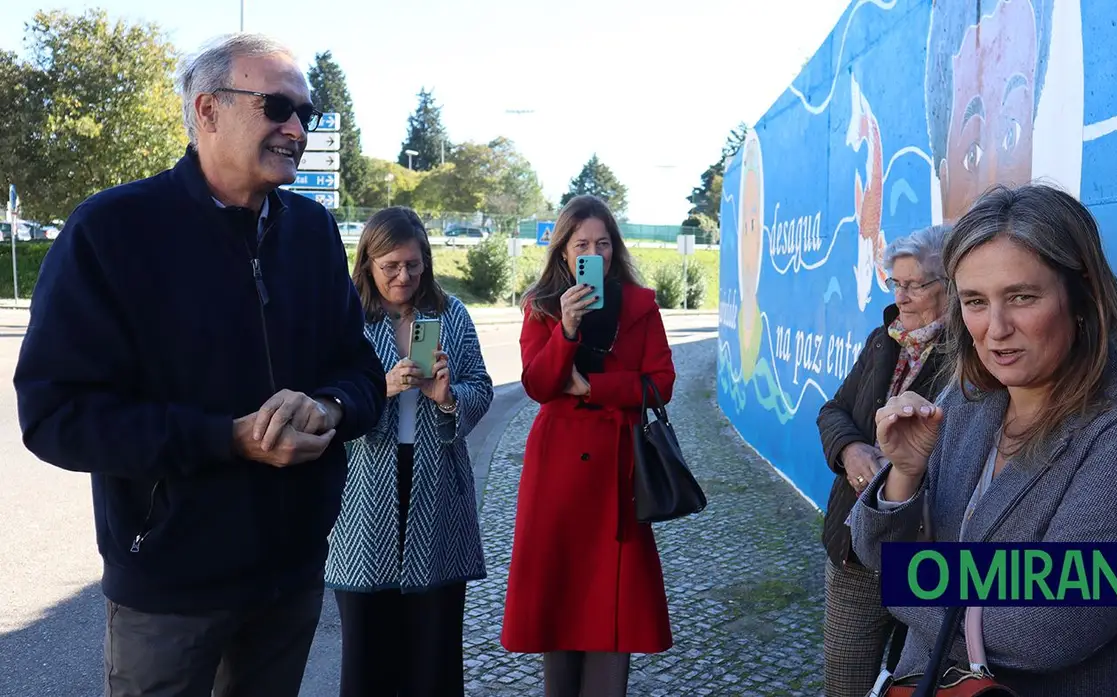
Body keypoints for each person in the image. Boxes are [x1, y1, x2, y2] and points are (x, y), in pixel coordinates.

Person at [12, 33, 386, 697]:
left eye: (309, 112)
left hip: (291, 579)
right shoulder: (111, 230)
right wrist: (229, 436)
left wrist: (327, 407)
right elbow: (55, 415)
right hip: (169, 591)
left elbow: (360, 373)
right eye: (277, 106)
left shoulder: (313, 232)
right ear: (208, 109)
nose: (297, 128)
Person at [851, 183, 1117, 695]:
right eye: (975, 302)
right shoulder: (965, 402)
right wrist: (904, 473)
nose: (995, 328)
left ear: (1081, 297)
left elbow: (1045, 627)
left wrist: (903, 580)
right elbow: (871, 550)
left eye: (1022, 297)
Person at [500, 195, 675, 697]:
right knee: (558, 595)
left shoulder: (641, 304)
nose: (592, 252)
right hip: (556, 473)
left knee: (610, 606)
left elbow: (661, 382)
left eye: (602, 243)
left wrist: (595, 388)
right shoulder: (540, 306)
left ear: (614, 249)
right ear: (563, 252)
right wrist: (568, 329)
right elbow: (536, 384)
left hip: (618, 473)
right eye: (582, 244)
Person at [325, 207, 494, 697]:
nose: (403, 276)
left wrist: (448, 397)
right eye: (391, 266)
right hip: (364, 495)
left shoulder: (450, 314)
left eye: (414, 265)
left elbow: (481, 386)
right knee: (366, 654)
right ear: (368, 263)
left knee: (434, 652)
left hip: (437, 490)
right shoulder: (347, 318)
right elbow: (325, 397)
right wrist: (382, 387)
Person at [815, 224, 952, 696]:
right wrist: (850, 450)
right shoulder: (884, 338)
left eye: (916, 285)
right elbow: (832, 410)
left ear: (950, 285)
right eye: (896, 283)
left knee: (915, 685)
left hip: (923, 556)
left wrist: (902, 471)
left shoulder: (970, 355)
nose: (903, 296)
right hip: (853, 548)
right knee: (846, 686)